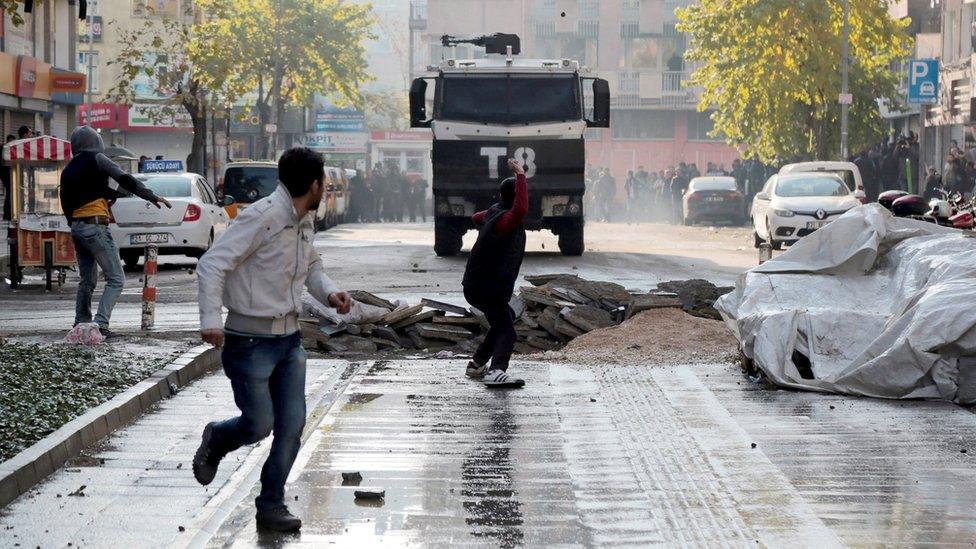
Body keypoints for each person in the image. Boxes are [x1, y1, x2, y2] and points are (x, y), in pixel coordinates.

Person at [193, 147, 353, 533]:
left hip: (289, 340)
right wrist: (211, 319)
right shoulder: (261, 217)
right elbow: (212, 264)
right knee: (258, 424)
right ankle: (217, 437)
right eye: (324, 183)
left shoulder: (304, 220)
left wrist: (329, 293)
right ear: (314, 185)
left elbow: (310, 265)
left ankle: (271, 504)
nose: (325, 189)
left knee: (292, 425)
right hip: (249, 341)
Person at [59, 126, 172, 338]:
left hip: (77, 228)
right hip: (96, 227)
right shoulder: (98, 158)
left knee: (87, 280)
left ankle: (81, 323)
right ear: (96, 142)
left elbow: (71, 199)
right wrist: (150, 196)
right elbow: (125, 179)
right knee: (116, 278)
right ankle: (100, 325)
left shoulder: (68, 169)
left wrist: (78, 222)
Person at [462, 158, 527, 388]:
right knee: (507, 332)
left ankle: (477, 364)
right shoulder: (505, 220)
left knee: (504, 319)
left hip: (478, 285)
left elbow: (476, 217)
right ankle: (496, 371)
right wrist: (520, 174)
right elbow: (520, 209)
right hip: (485, 288)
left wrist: (490, 214)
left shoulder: (494, 214)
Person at [1, 134, 15, 222]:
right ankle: (7, 214)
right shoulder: (5, 149)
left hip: (6, 175)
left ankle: (8, 214)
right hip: (6, 175)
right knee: (9, 194)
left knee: (9, 194)